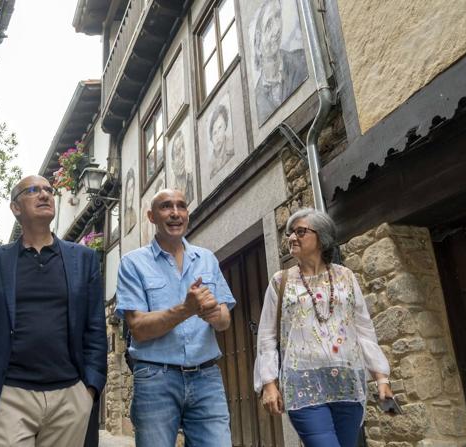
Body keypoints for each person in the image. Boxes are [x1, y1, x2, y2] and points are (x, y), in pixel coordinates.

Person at [0, 175, 107, 447]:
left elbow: (95, 329)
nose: (44, 194)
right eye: (33, 190)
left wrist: (89, 389)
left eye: (48, 189)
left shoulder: (84, 259)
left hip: (70, 396)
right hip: (7, 396)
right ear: (15, 208)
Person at [254, 208, 393, 447]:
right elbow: (267, 335)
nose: (292, 238)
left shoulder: (346, 277)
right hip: (302, 386)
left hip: (347, 385)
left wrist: (381, 378)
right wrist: (269, 383)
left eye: (300, 231)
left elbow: (363, 329)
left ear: (322, 237)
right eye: (290, 233)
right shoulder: (281, 281)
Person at [116, 188, 235, 446]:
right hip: (155, 378)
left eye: (181, 206)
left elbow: (225, 320)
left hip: (206, 377)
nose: (175, 213)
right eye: (166, 207)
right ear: (151, 216)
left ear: (188, 215)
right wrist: (186, 309)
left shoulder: (207, 259)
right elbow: (138, 328)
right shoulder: (133, 263)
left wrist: (215, 314)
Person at [252, 0, 308, 125]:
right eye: (269, 25)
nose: (277, 29)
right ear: (258, 41)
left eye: (277, 17)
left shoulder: (300, 60)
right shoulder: (257, 99)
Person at [208, 104, 234, 178]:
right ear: (211, 137)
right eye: (214, 133)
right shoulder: (210, 165)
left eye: (220, 128)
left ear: (225, 126)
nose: (217, 137)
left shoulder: (233, 146)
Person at [170, 130, 194, 204]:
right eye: (177, 152)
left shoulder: (191, 179)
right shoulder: (171, 192)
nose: (180, 156)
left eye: (181, 149)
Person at [123, 167, 138, 235]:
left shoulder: (134, 216)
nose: (130, 193)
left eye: (132, 188)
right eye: (128, 189)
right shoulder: (125, 218)